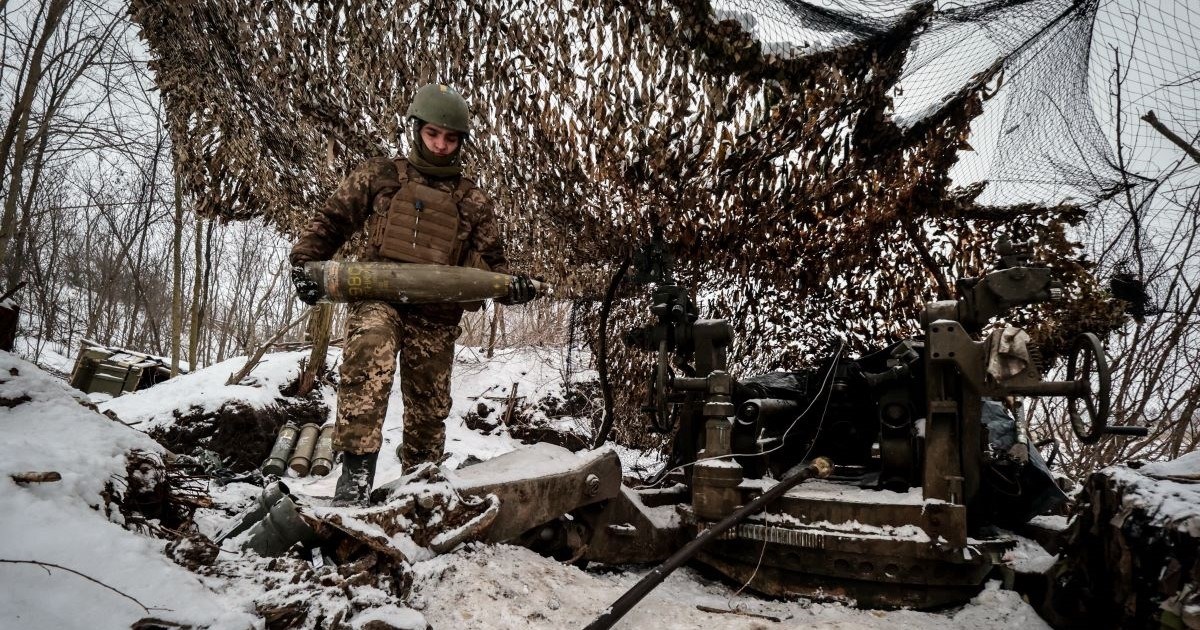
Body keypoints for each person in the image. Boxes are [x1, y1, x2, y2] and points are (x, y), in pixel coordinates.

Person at [289, 83, 536, 506]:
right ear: (416, 130)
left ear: (460, 142)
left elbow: (493, 263)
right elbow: (332, 220)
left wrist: (512, 287)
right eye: (432, 134)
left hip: (436, 315)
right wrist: (305, 264)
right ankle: (354, 479)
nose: (441, 145)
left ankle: (419, 488)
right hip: (379, 296)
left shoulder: (473, 200)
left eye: (451, 138)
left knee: (428, 408)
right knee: (369, 356)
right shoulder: (380, 175)